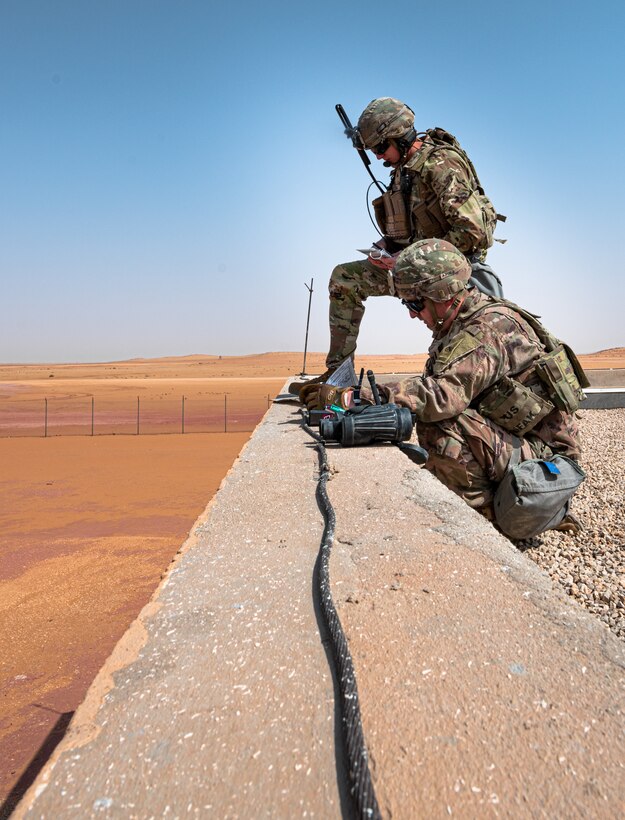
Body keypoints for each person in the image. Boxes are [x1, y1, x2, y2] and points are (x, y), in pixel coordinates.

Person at [301, 239, 587, 537]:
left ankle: (484, 521)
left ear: (443, 294)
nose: (412, 314)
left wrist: (356, 395)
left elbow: (441, 396)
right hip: (522, 442)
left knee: (442, 424)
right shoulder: (461, 322)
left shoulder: (486, 330)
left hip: (546, 464)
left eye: (415, 303)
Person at [292, 97, 504, 393]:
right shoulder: (403, 172)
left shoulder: (440, 165)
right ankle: (338, 376)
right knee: (345, 279)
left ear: (400, 137)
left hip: (452, 277)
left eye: (381, 147)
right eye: (373, 150)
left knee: (458, 368)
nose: (378, 157)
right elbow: (412, 228)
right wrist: (386, 245)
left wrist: (408, 258)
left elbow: (474, 233)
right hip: (409, 268)